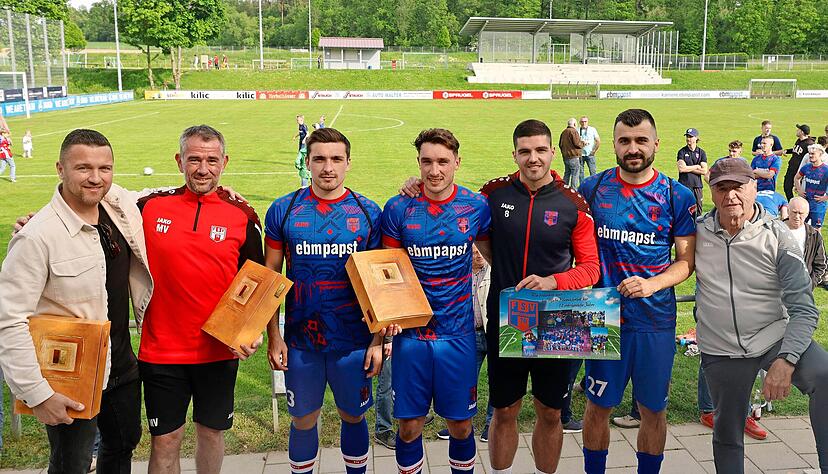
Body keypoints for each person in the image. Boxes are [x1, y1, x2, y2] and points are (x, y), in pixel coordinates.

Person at [0, 129, 153, 473]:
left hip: (122, 365)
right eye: (83, 168)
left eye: (105, 168)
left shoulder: (118, 205)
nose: (96, 178)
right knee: (73, 462)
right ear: (60, 169)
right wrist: (37, 393)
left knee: (123, 444)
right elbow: (9, 321)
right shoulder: (37, 236)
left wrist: (217, 190)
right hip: (70, 376)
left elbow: (155, 195)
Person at [137, 125, 264, 473]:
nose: (202, 169)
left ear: (224, 161)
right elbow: (92, 207)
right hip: (161, 349)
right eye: (194, 159)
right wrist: (34, 221)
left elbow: (257, 282)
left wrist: (250, 331)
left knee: (210, 434)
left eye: (211, 160)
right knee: (165, 440)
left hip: (218, 349)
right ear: (180, 161)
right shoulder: (147, 207)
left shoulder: (243, 215)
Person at [578, 109, 696, 474]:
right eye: (625, 141)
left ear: (656, 144)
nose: (633, 148)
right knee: (598, 407)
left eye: (641, 140)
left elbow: (686, 262)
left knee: (653, 409)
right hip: (601, 318)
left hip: (655, 321)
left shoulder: (676, 195)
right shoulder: (593, 188)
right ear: (613, 144)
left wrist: (652, 284)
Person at [695, 157, 828, 474]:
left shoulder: (777, 235)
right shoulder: (697, 232)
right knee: (727, 432)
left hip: (773, 336)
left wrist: (788, 358)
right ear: (711, 192)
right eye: (722, 188)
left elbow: (804, 307)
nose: (731, 196)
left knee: (825, 377)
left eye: (738, 187)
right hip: (721, 347)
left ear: (754, 187)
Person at [265, 127, 386, 474]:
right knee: (303, 420)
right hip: (302, 341)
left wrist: (378, 340)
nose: (327, 167)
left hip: (353, 341)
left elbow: (379, 283)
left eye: (336, 159)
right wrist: (275, 335)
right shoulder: (284, 210)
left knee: (353, 414)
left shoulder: (368, 213)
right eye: (319, 158)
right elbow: (272, 279)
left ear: (348, 163)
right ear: (309, 162)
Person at [481, 119, 599, 474]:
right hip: (507, 316)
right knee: (504, 409)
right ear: (514, 154)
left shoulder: (573, 204)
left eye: (540, 150)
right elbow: (463, 218)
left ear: (552, 152)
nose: (533, 158)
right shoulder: (493, 193)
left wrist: (554, 282)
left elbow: (591, 268)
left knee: (550, 411)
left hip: (558, 317)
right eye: (525, 151)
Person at [382, 128, 492, 474]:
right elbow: (387, 272)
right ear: (418, 163)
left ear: (457, 162)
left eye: (443, 161)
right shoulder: (399, 207)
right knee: (410, 426)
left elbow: (496, 258)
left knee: (460, 425)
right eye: (426, 161)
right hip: (411, 337)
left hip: (457, 337)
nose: (434, 170)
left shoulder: (476, 206)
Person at [436, 244, 495, 443]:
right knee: (464, 380)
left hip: (493, 333)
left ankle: (491, 423)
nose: (478, 255)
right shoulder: (459, 274)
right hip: (469, 335)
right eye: (474, 252)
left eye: (481, 251)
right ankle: (460, 422)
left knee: (496, 380)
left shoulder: (496, 270)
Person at [784, 197, 827, 288]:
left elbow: (821, 265)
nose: (797, 217)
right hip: (776, 287)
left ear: (807, 214)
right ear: (788, 211)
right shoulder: (775, 230)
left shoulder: (814, 236)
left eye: (801, 213)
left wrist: (810, 285)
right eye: (794, 212)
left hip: (801, 288)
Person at [794, 144, 828, 228]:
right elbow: (796, 178)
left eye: (813, 154)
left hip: (818, 206)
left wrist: (825, 197)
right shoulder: (806, 167)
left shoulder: (826, 170)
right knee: (802, 227)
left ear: (820, 154)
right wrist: (800, 190)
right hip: (805, 203)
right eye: (809, 153)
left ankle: (817, 242)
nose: (810, 156)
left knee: (816, 230)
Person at [676, 128, 708, 217]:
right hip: (684, 185)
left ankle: (698, 230)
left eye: (690, 136)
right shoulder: (682, 152)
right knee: (684, 209)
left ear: (696, 138)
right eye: (687, 136)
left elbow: (704, 170)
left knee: (698, 211)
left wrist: (688, 168)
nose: (688, 139)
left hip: (697, 185)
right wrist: (697, 166)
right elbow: (681, 169)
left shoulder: (701, 153)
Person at [782, 124, 815, 200]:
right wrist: (787, 151)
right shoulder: (799, 140)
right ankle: (791, 202)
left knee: (801, 191)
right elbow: (796, 149)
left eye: (798, 130)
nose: (797, 131)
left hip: (800, 171)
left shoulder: (809, 144)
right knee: (787, 187)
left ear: (802, 132)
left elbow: (812, 158)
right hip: (791, 169)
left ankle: (802, 207)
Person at [558, 118, 585, 188]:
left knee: (567, 173)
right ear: (575, 124)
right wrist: (583, 143)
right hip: (573, 157)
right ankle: (573, 190)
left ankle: (564, 189)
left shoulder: (563, 132)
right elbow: (577, 144)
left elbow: (560, 144)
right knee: (575, 174)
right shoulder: (573, 131)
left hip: (566, 157)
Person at [579, 116, 600, 183]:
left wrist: (593, 151)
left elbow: (598, 141)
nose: (584, 123)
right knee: (580, 172)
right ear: (580, 122)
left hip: (590, 154)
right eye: (582, 122)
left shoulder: (592, 129)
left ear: (588, 122)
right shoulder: (577, 130)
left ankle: (593, 186)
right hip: (580, 155)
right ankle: (582, 186)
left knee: (593, 172)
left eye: (585, 121)